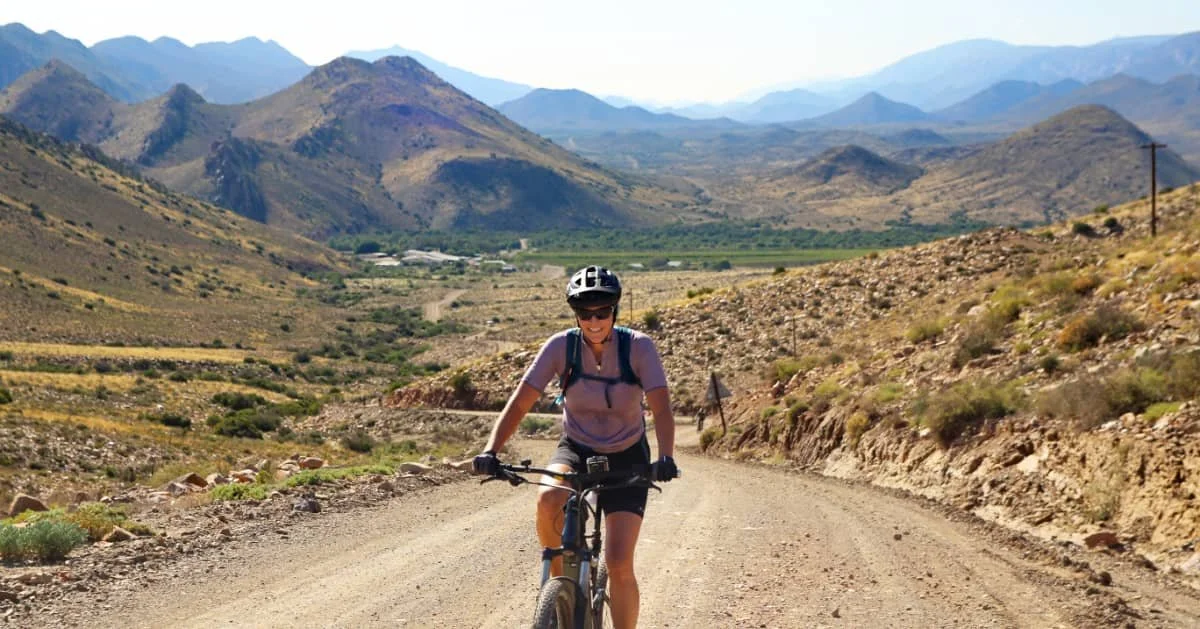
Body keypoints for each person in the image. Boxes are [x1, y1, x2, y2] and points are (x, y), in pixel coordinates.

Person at [474, 264, 677, 629]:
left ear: (614, 311)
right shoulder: (560, 347)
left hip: (628, 455)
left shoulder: (639, 348)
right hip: (576, 447)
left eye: (602, 312)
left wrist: (665, 457)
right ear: (576, 315)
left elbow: (661, 406)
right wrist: (491, 450)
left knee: (618, 564)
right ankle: (560, 588)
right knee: (548, 498)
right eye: (585, 313)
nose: (594, 320)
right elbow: (520, 402)